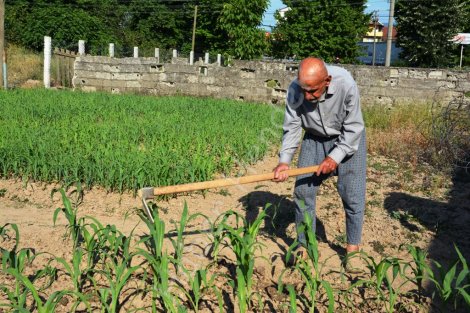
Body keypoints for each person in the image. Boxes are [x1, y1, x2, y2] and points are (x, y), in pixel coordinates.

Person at [273, 57, 366, 270]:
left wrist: (335, 156)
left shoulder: (346, 84)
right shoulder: (296, 90)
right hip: (314, 138)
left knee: (352, 194)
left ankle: (353, 248)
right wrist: (284, 162)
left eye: (313, 91)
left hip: (348, 139)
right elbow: (293, 126)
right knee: (303, 192)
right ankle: (304, 245)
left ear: (327, 80)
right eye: (304, 90)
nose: (307, 96)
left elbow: (354, 126)